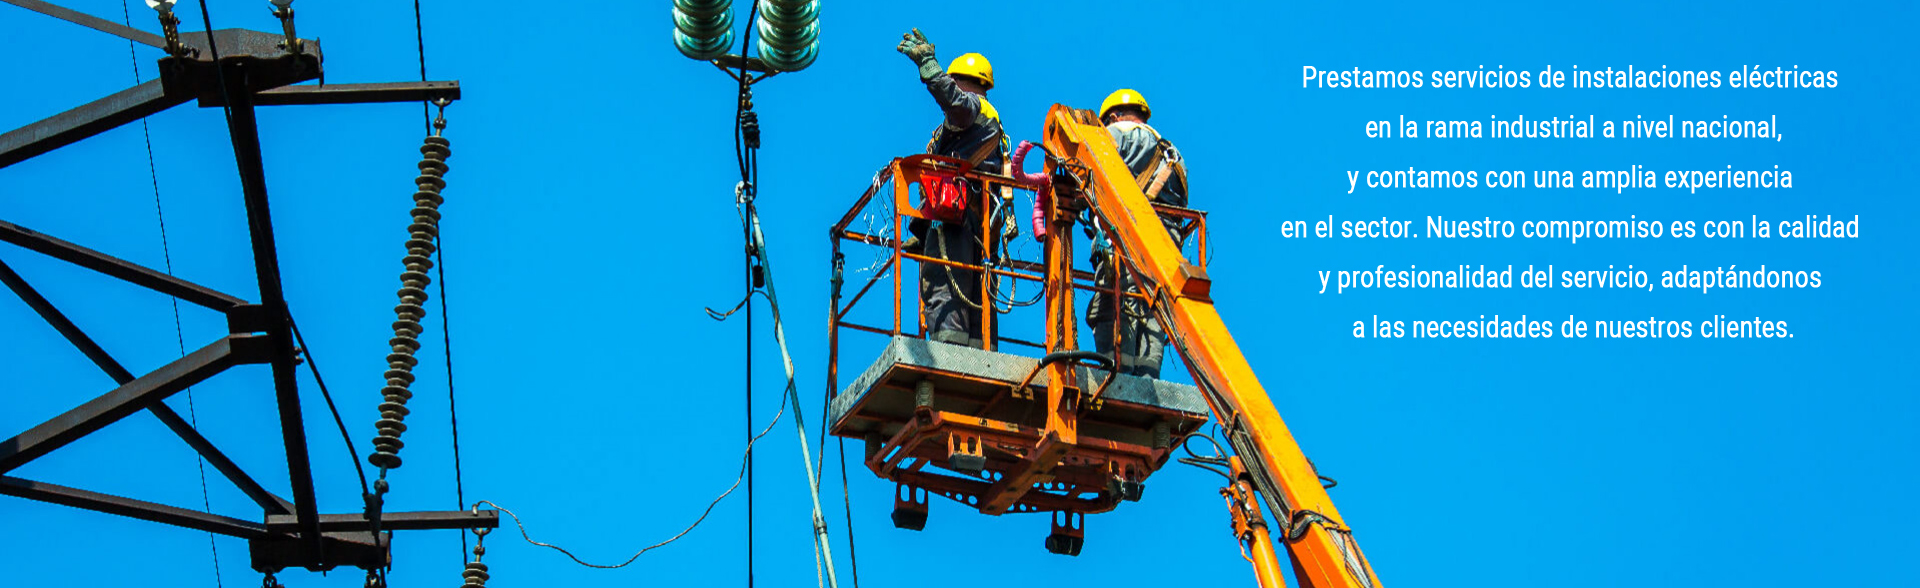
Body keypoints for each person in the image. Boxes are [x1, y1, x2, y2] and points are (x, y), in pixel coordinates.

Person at [897, 29, 1006, 347]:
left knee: (946, 280)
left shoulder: (970, 108)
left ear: (961, 81)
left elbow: (954, 102)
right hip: (980, 219)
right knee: (979, 287)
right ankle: (981, 351)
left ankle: (947, 348)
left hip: (955, 214)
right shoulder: (990, 120)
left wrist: (929, 66)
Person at [1085, 89, 1188, 378]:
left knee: (1112, 304)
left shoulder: (1114, 135)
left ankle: (1116, 374)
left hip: (1127, 236)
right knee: (1154, 308)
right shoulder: (1174, 155)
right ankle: (1147, 375)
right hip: (1167, 244)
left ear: (1113, 117)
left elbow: (1084, 171)